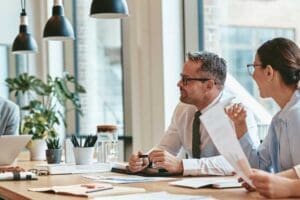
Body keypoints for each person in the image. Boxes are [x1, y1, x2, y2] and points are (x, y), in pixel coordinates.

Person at [128, 51, 259, 176]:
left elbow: (238, 161)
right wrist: (146, 160)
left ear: (208, 85)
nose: (179, 84)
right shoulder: (184, 108)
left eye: (186, 80)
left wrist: (182, 166)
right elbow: (166, 147)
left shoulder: (237, 111)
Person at [227, 37, 300, 173]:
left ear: (269, 72)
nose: (253, 75)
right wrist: (241, 127)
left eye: (254, 67)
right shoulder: (279, 118)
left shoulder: (296, 114)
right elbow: (258, 166)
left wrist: (272, 181)